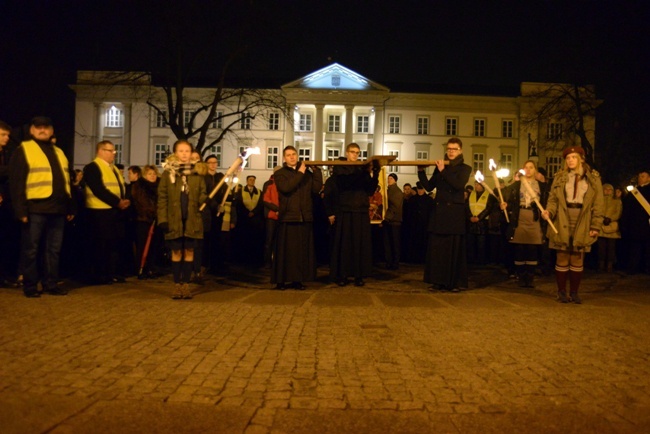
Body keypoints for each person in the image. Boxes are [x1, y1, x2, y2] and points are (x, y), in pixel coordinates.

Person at [9, 117, 76, 297]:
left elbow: (66, 183)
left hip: (58, 210)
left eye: (46, 127)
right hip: (35, 208)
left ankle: (50, 283)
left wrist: (70, 208)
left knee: (53, 250)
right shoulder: (23, 149)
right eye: (38, 127)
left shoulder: (59, 152)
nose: (42, 130)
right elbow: (16, 183)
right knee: (31, 249)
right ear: (31, 130)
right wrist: (20, 210)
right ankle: (30, 286)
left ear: (52, 130)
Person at [542, 146, 604, 304]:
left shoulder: (593, 178)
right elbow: (553, 200)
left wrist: (596, 225)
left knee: (577, 257)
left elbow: (598, 203)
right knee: (562, 255)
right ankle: (561, 292)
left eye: (574, 157)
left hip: (582, 218)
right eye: (568, 158)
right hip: (562, 217)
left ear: (581, 159)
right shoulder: (560, 177)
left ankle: (574, 292)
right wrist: (549, 212)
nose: (570, 160)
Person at [417, 137, 472, 292]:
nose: (451, 152)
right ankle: (438, 281)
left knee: (453, 248)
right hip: (439, 213)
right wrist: (420, 171)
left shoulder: (465, 168)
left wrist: (443, 171)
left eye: (454, 149)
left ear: (460, 150)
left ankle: (453, 282)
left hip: (454, 213)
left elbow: (458, 185)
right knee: (438, 249)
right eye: (449, 149)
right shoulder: (440, 167)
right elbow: (429, 186)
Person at [157, 140, 207, 299]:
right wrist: (162, 219)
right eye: (181, 151)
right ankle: (176, 284)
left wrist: (206, 200)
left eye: (187, 151)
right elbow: (162, 197)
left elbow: (202, 195)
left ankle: (186, 285)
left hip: (191, 219)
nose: (184, 154)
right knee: (177, 251)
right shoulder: (168, 173)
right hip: (174, 219)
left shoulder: (197, 173)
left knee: (189, 251)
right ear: (175, 153)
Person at [328, 143, 379, 287]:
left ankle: (359, 275)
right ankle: (343, 274)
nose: (355, 155)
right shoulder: (340, 166)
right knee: (345, 244)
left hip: (361, 210)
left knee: (359, 244)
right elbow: (346, 183)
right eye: (352, 152)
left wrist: (374, 173)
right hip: (345, 209)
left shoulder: (361, 169)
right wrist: (363, 171)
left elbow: (369, 189)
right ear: (347, 152)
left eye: (357, 152)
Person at [271, 146, 323, 289]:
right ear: (284, 158)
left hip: (304, 217)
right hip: (288, 217)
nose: (292, 157)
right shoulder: (280, 174)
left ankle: (297, 280)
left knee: (300, 252)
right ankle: (281, 280)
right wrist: (300, 173)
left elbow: (316, 189)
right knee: (285, 252)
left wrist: (317, 172)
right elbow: (286, 188)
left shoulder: (306, 174)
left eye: (294, 154)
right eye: (288, 155)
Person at [83, 140, 131, 284]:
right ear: (100, 151)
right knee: (101, 245)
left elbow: (120, 186)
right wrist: (118, 202)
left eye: (114, 151)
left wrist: (124, 199)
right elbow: (98, 189)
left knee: (112, 244)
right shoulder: (92, 167)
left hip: (113, 211)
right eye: (110, 151)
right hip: (98, 212)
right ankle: (99, 275)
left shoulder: (113, 168)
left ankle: (111, 273)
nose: (113, 154)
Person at [500, 160, 548, 287]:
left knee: (532, 248)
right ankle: (521, 276)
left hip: (534, 218)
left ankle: (530, 277)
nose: (528, 170)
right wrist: (506, 204)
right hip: (520, 217)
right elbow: (509, 199)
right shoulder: (517, 185)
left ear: (535, 170)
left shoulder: (541, 186)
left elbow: (545, 202)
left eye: (531, 167)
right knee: (520, 248)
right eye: (526, 167)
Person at [131, 165, 161, 279]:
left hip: (156, 220)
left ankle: (150, 268)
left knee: (154, 246)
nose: (152, 176)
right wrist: (152, 212)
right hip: (143, 220)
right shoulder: (139, 186)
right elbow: (141, 202)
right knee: (143, 245)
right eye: (149, 174)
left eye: (154, 174)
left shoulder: (159, 186)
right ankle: (140, 268)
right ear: (144, 175)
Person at [621, 169, 650, 275]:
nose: (640, 178)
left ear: (648, 178)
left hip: (647, 224)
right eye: (639, 176)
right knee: (634, 247)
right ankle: (633, 267)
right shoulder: (634, 192)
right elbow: (627, 208)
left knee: (647, 247)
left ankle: (647, 268)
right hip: (634, 224)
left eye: (642, 176)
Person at [466, 181, 495, 266]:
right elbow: (467, 207)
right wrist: (470, 217)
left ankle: (481, 261)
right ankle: (471, 260)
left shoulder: (488, 195)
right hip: (471, 222)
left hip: (482, 223)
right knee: (471, 243)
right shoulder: (471, 194)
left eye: (478, 184)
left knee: (481, 244)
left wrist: (479, 217)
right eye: (475, 184)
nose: (476, 186)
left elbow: (488, 208)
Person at [597, 183, 622, 273]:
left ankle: (609, 265)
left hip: (612, 227)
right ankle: (601, 265)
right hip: (600, 226)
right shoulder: (598, 200)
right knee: (601, 247)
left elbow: (618, 212)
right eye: (605, 189)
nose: (607, 191)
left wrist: (611, 219)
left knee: (611, 247)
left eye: (610, 189)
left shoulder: (616, 200)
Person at [383, 173, 403, 270]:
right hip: (388, 220)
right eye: (388, 178)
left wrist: (387, 218)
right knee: (388, 243)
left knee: (394, 243)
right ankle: (389, 261)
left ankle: (395, 262)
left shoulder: (397, 192)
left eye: (391, 178)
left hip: (394, 221)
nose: (389, 180)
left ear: (395, 180)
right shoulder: (388, 190)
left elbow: (394, 207)